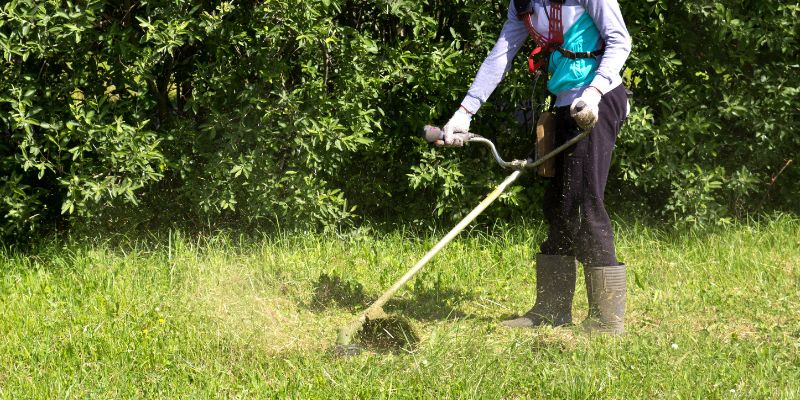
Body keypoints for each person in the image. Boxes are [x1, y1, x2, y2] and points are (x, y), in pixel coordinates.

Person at [442, 0, 631, 334]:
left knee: (585, 203)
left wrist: (594, 90)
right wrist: (464, 112)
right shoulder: (524, 3)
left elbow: (620, 41)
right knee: (558, 206)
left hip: (598, 102)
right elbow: (501, 53)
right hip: (563, 104)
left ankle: (606, 320)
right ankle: (551, 310)